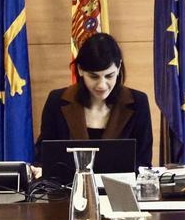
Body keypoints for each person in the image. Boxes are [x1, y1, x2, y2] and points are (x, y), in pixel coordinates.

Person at [35, 32, 153, 167]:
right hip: (68, 186)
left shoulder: (138, 103)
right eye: (94, 77)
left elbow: (143, 162)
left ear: (119, 67)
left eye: (109, 76)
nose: (102, 85)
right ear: (80, 70)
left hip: (121, 187)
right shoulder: (57, 100)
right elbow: (44, 157)